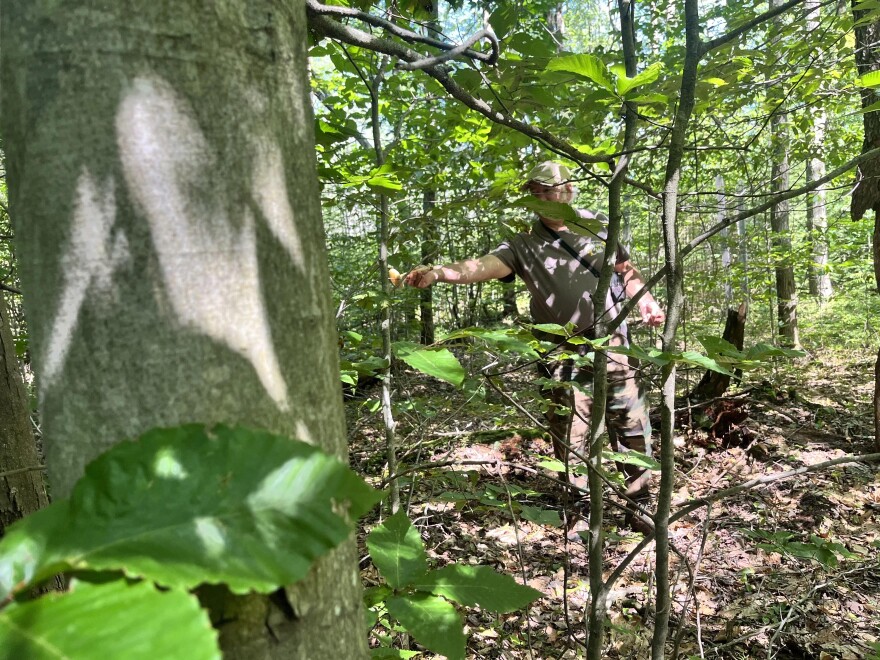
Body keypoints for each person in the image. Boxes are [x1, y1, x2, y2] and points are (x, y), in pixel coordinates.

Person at [405, 161, 665, 531]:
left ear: (569, 189)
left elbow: (625, 269)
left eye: (549, 190)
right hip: (561, 355)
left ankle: (639, 504)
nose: (543, 198)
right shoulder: (523, 243)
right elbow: (483, 266)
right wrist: (439, 272)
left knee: (631, 425)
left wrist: (646, 299)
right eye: (536, 192)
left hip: (615, 344)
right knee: (571, 435)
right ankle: (580, 512)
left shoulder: (597, 224)